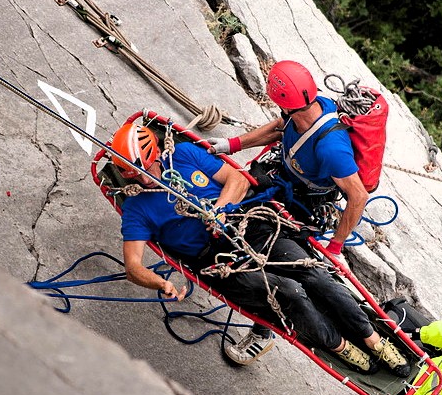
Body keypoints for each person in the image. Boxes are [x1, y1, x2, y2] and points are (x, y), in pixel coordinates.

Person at [112, 121, 410, 377]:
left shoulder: (184, 156)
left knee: (313, 273)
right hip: (216, 261)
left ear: (154, 154)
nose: (140, 177)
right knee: (288, 293)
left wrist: (220, 209)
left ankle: (373, 341)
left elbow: (236, 178)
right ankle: (339, 346)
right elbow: (133, 266)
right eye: (130, 175)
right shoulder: (138, 208)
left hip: (249, 225)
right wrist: (160, 282)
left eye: (142, 169)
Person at [209, 60, 368, 260]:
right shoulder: (309, 106)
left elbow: (359, 196)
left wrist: (335, 246)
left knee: (253, 230)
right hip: (282, 175)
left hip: (303, 199)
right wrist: (232, 144)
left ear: (285, 104)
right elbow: (280, 127)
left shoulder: (331, 149)